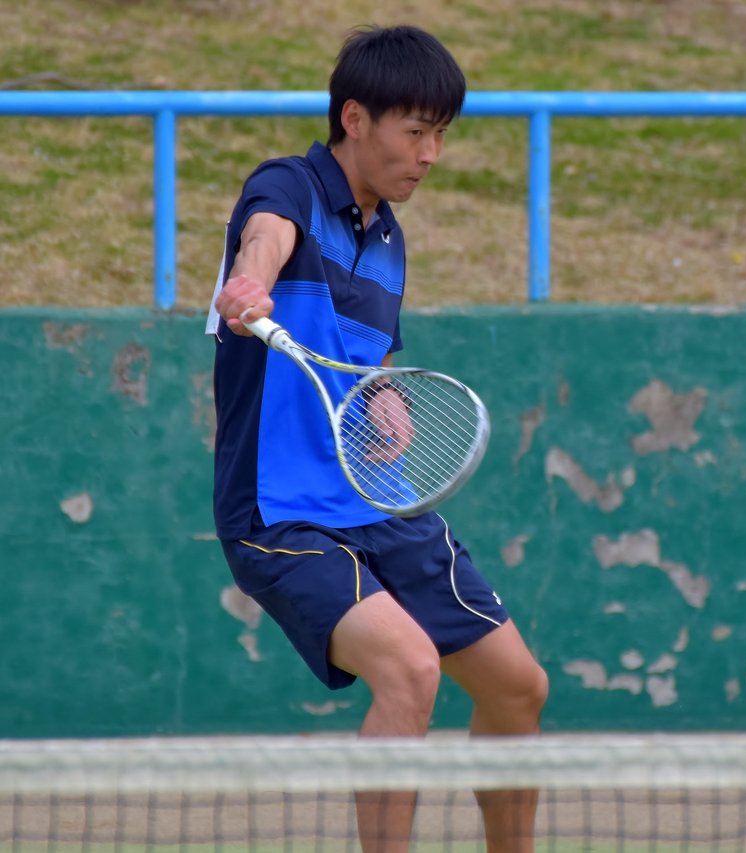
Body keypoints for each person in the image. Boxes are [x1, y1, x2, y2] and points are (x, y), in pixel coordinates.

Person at [205, 25, 548, 853]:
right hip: (282, 512)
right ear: (355, 119)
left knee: (518, 688)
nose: (430, 154)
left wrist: (384, 396)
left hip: (375, 501)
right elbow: (265, 237)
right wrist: (250, 280)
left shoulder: (389, 239)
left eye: (441, 134)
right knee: (409, 667)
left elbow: (366, 363)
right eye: (416, 130)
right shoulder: (287, 187)